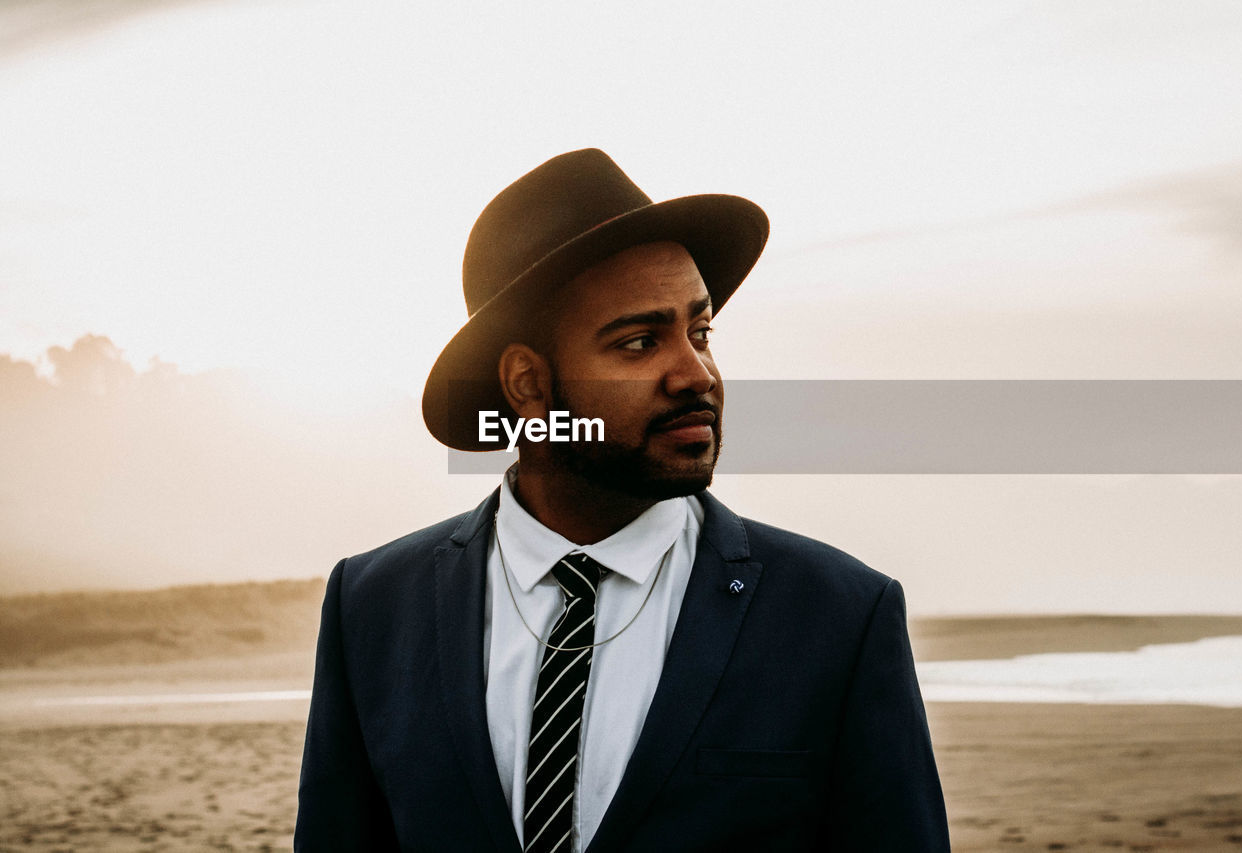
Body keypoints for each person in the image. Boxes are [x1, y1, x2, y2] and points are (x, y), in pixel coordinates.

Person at [295, 148, 949, 852]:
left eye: (699, 333)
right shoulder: (374, 605)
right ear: (528, 386)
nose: (695, 373)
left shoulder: (838, 614)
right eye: (640, 342)